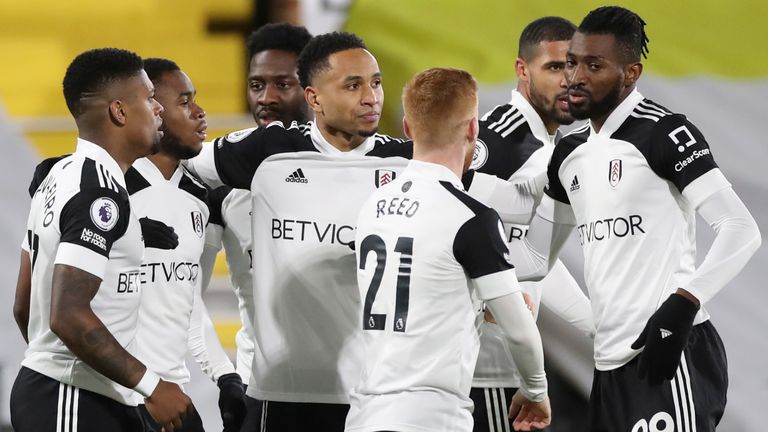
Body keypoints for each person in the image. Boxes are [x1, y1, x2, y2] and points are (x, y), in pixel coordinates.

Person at [186, 31, 524, 431]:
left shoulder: (407, 162)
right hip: (282, 394)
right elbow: (180, 161)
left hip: (373, 398)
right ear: (314, 98)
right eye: (353, 85)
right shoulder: (265, 152)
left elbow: (505, 207)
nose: (371, 97)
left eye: (376, 83)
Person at [512, 6, 761, 431]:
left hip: (671, 353)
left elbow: (741, 230)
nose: (577, 77)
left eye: (595, 65)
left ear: (631, 73)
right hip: (608, 368)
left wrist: (683, 305)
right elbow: (535, 261)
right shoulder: (567, 155)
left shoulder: (664, 132)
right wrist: (592, 322)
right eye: (572, 63)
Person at [346, 67, 551, 432]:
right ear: (473, 129)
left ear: (407, 128)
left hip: (364, 414)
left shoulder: (372, 205)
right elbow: (520, 332)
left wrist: (479, 302)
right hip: (430, 418)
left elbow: (417, 286)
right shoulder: (471, 218)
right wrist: (536, 389)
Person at [10, 47, 192, 432]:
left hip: (69, 392)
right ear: (119, 111)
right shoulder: (99, 193)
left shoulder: (58, 176)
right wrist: (152, 385)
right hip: (72, 397)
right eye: (149, 98)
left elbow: (23, 304)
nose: (158, 109)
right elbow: (67, 313)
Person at [470, 17, 594, 431]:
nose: (569, 81)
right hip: (480, 367)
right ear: (523, 70)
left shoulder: (546, 143)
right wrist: (489, 298)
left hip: (510, 368)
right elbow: (457, 231)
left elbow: (530, 256)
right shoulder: (501, 142)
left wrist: (594, 324)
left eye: (575, 67)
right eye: (555, 67)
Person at [128, 58, 246, 432]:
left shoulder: (202, 197)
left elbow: (186, 301)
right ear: (154, 111)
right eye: (184, 102)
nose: (199, 112)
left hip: (170, 394)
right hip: (114, 395)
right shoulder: (107, 189)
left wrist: (225, 376)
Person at [205, 22, 313, 393]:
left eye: (283, 84)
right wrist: (225, 375)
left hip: (348, 389)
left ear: (313, 90)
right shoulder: (220, 181)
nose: (266, 97)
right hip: (260, 388)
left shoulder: (359, 168)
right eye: (256, 85)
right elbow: (183, 300)